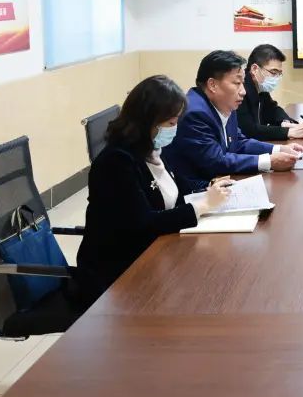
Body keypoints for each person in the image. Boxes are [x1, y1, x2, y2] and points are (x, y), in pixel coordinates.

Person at [77, 75, 233, 306]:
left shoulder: (151, 149)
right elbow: (144, 224)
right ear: (147, 121)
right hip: (119, 273)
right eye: (170, 123)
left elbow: (176, 186)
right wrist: (202, 206)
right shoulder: (117, 162)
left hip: (156, 253)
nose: (175, 129)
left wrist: (208, 187)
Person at [162, 50, 303, 191]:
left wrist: (278, 149)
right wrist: (269, 161)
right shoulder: (194, 113)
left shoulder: (223, 103)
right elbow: (216, 161)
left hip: (219, 185)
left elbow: (239, 142)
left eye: (243, 83)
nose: (243, 91)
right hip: (196, 193)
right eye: (237, 83)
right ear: (212, 85)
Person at [235, 44, 303, 142]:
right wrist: (288, 132)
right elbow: (248, 130)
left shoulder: (260, 86)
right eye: (273, 72)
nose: (276, 78)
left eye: (279, 74)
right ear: (255, 69)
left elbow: (273, 109)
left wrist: (286, 122)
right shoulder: (240, 90)